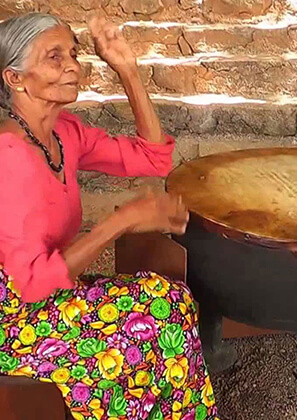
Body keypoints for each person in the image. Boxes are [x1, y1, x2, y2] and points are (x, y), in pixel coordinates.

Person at [0, 13, 218, 420]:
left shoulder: (63, 132)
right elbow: (31, 286)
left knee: (173, 299)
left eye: (74, 54)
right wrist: (123, 221)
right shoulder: (8, 157)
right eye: (54, 57)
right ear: (15, 79)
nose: (73, 66)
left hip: (49, 296)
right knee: (152, 323)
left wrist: (128, 70)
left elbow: (152, 158)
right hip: (13, 321)